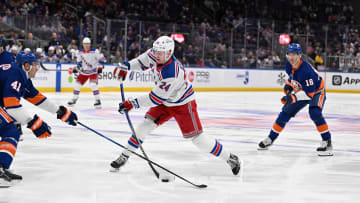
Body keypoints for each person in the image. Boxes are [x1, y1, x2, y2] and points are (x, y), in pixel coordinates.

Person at [110, 36, 241, 175]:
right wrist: (126, 66)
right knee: (143, 127)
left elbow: (155, 98)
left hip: (183, 104)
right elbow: (142, 61)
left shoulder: (171, 72)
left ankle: (230, 158)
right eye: (156, 51)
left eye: (160, 53)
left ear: (169, 53)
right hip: (165, 101)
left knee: (199, 140)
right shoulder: (156, 54)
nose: (156, 54)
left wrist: (132, 103)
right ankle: (125, 155)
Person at [0, 51, 78, 184]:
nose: (37, 68)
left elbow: (36, 97)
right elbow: (11, 104)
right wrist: (33, 123)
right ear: (26, 66)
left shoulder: (20, 75)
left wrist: (60, 112)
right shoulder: (16, 74)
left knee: (9, 130)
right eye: (35, 65)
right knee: (10, 131)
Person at [258, 43, 333, 156]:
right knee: (285, 113)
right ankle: (270, 139)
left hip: (317, 91)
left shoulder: (306, 71)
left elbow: (309, 94)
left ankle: (327, 143)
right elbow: (293, 78)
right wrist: (289, 86)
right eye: (289, 54)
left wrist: (292, 97)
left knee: (315, 113)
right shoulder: (289, 65)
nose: (291, 57)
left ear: (300, 55)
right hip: (304, 90)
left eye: (294, 54)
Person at [67, 37, 106, 108]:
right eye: (85, 44)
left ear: (90, 44)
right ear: (83, 44)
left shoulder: (95, 51)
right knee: (77, 85)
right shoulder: (80, 52)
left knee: (93, 85)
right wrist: (77, 68)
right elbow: (79, 63)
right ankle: (74, 99)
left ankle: (97, 100)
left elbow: (103, 60)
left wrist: (100, 67)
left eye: (88, 44)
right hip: (83, 72)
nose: (86, 45)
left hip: (93, 72)